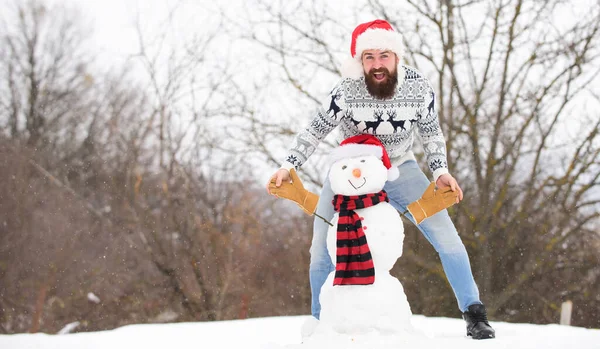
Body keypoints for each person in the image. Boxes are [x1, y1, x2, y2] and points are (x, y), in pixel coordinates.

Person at [266, 19, 495, 340]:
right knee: (321, 246)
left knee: (447, 238)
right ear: (359, 61)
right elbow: (315, 130)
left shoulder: (418, 87)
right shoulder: (345, 90)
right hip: (351, 170)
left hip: (400, 168)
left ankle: (474, 313)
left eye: (383, 55)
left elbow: (431, 133)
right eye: (369, 57)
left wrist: (441, 171)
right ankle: (320, 322)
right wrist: (288, 165)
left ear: (397, 57)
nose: (377, 64)